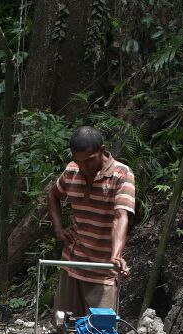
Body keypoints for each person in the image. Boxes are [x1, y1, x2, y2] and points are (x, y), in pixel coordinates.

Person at [48, 125, 136, 315]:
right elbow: (53, 196)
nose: (83, 167)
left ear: (102, 151)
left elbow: (121, 216)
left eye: (88, 161)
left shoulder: (122, 175)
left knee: (99, 333)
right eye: (78, 162)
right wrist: (58, 229)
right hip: (72, 263)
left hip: (102, 270)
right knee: (65, 329)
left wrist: (117, 255)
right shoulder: (72, 171)